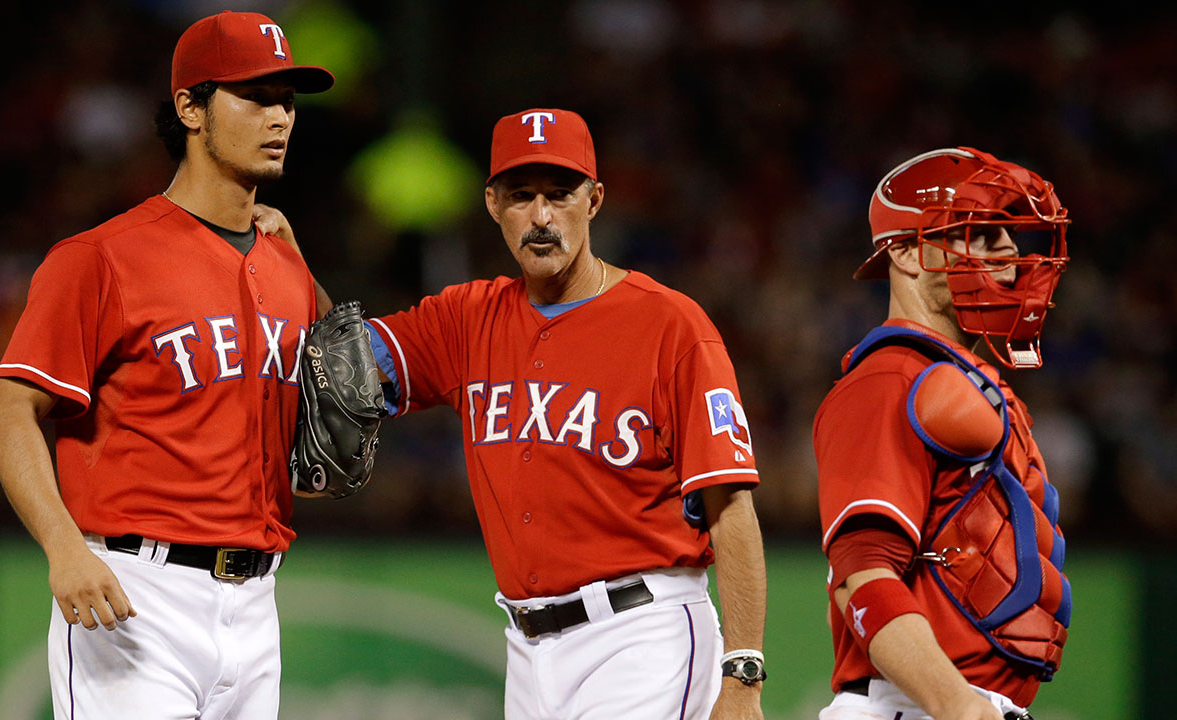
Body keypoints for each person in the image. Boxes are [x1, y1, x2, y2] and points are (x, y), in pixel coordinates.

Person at [0, 11, 333, 719]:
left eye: (286, 100)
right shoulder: (102, 258)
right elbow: (7, 411)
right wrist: (63, 548)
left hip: (257, 601)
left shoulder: (287, 263)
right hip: (136, 592)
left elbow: (342, 384)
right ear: (190, 108)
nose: (279, 117)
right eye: (255, 96)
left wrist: (306, 274)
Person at [370, 108, 768, 719]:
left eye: (560, 195)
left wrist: (742, 674)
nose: (540, 217)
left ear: (595, 199)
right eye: (521, 196)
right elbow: (338, 362)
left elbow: (731, 508)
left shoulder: (671, 325)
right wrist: (280, 263)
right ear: (492, 203)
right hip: (526, 650)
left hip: (643, 633)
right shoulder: (466, 319)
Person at [813, 147, 1073, 720]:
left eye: (1010, 235)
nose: (1008, 251)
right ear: (906, 253)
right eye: (979, 234)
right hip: (909, 706)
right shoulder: (886, 380)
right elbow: (861, 576)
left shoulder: (965, 382)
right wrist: (960, 708)